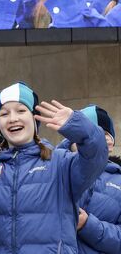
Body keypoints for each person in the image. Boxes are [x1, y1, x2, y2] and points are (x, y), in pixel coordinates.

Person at [0, 83, 108, 253]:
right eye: (4, 113)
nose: (13, 118)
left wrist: (77, 125)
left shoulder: (61, 162)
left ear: (34, 118)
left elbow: (96, 156)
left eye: (21, 111)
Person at [61, 105, 121, 254]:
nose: (94, 140)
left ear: (112, 143)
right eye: (88, 132)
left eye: (104, 133)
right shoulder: (53, 168)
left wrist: (87, 225)